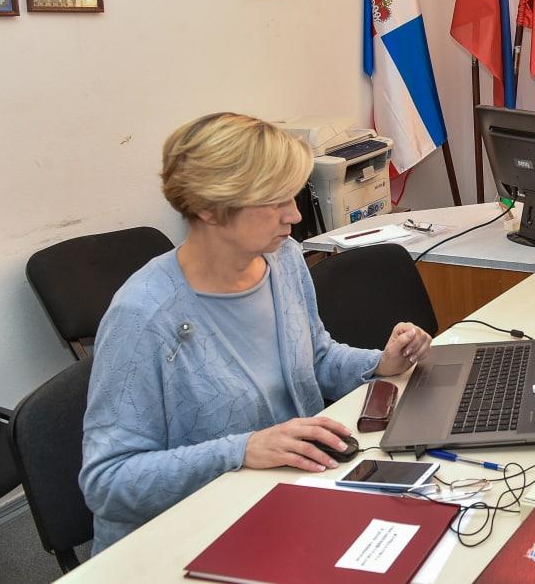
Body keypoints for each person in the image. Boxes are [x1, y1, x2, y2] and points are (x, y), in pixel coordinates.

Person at [80, 113, 431, 553]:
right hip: (188, 537)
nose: (295, 215)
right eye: (274, 201)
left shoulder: (282, 259)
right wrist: (240, 450)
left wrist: (381, 363)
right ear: (209, 208)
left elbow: (316, 358)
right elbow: (108, 482)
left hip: (285, 498)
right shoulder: (144, 316)